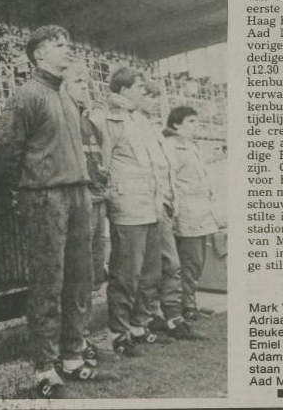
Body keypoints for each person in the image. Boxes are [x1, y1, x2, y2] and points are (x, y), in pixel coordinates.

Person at [0, 25, 95, 399]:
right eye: (59, 45)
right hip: (45, 197)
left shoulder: (66, 97)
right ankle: (45, 367)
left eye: (69, 43)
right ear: (38, 55)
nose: (68, 50)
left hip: (77, 195)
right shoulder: (26, 96)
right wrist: (26, 191)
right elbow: (6, 153)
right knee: (48, 285)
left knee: (79, 280)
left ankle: (72, 356)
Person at [101, 67, 202, 361]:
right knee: (126, 273)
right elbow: (104, 163)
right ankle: (118, 333)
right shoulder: (111, 119)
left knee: (149, 272)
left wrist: (162, 201)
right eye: (139, 88)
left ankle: (138, 324)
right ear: (122, 90)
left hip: (151, 206)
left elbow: (155, 168)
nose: (144, 93)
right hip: (128, 207)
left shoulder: (141, 122)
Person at [61, 63, 110, 354]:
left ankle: (84, 336)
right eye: (79, 81)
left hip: (97, 200)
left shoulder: (90, 123)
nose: (86, 87)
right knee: (76, 277)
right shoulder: (63, 120)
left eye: (87, 82)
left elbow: (98, 162)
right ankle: (73, 342)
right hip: (79, 204)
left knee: (91, 275)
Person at [163, 106, 220, 320]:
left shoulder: (190, 146)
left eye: (197, 121)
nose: (196, 126)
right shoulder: (172, 146)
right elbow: (171, 178)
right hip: (186, 211)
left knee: (197, 260)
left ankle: (190, 299)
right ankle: (185, 304)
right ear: (176, 124)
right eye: (191, 121)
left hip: (200, 211)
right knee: (189, 259)